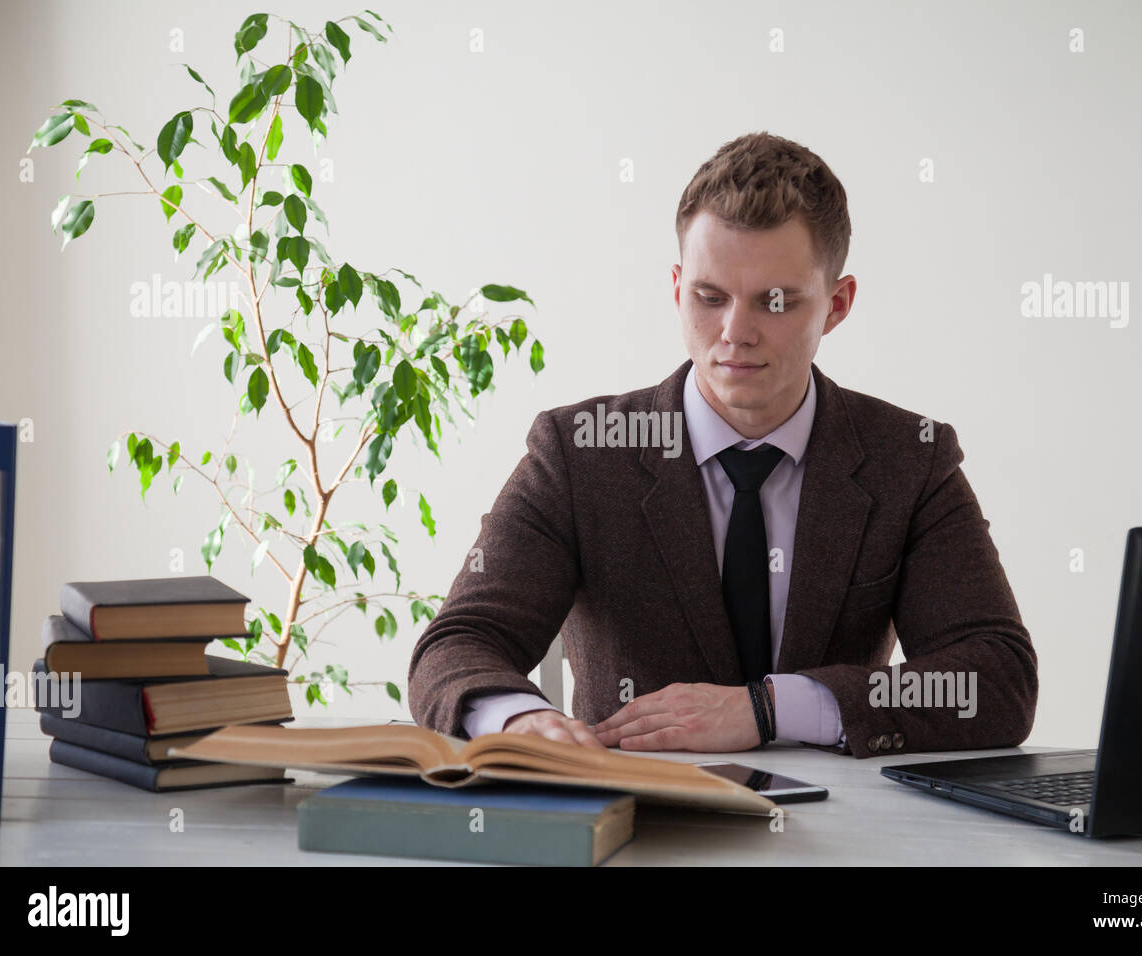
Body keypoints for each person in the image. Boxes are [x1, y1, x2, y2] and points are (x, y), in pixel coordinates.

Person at [407, 131, 1037, 758]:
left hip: (845, 841)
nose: (736, 333)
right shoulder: (579, 454)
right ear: (677, 288)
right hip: (636, 828)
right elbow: (456, 647)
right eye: (710, 298)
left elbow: (997, 681)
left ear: (837, 305)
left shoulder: (910, 459)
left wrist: (771, 708)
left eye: (777, 302)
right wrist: (518, 722)